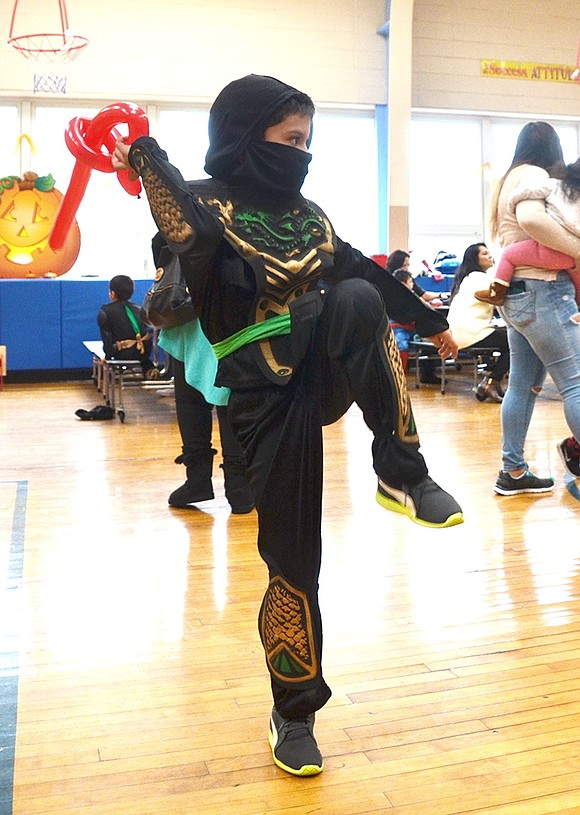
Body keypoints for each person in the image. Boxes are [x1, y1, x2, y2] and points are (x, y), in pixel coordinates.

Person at [112, 74, 463, 778]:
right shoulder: (206, 207)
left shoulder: (312, 215)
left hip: (319, 372)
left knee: (357, 294)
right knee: (293, 564)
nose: (302, 153)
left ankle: (403, 472)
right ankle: (293, 709)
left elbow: (364, 270)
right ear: (247, 137)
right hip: (260, 396)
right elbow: (184, 225)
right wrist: (143, 153)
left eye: (308, 140)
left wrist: (432, 322)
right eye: (289, 139)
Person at [488, 121, 580, 494]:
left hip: (517, 293)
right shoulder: (534, 176)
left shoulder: (506, 179)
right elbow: (530, 219)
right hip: (543, 290)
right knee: (576, 383)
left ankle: (512, 472)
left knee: (522, 386)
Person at [153, 236, 254, 514]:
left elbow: (160, 244)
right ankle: (238, 487)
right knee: (228, 397)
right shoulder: (236, 203)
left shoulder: (185, 200)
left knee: (191, 400)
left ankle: (198, 479)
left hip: (188, 310)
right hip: (231, 308)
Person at [475, 156, 580, 307]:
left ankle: (497, 292)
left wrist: (513, 201)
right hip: (570, 257)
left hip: (552, 249)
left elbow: (529, 192)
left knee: (509, 255)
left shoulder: (555, 184)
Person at [447, 243, 509, 403]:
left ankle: (491, 383)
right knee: (517, 343)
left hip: (459, 333)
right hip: (471, 332)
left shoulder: (467, 278)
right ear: (475, 259)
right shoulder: (478, 277)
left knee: (508, 341)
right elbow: (500, 297)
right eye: (484, 254)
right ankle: (492, 382)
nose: (490, 256)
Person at [381, 251, 442, 383]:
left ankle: (427, 374)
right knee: (401, 344)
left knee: (431, 335)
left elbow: (423, 296)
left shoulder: (409, 283)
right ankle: (398, 375)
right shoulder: (391, 283)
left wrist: (438, 296)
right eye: (405, 265)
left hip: (411, 325)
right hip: (397, 325)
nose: (407, 267)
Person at [97, 274, 158, 378]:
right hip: (144, 352)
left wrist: (106, 357)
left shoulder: (105, 312)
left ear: (112, 293)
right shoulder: (140, 309)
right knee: (140, 354)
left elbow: (107, 343)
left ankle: (127, 370)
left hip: (122, 354)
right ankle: (148, 368)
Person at [389, 268, 416, 372]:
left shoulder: (412, 295)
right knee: (401, 345)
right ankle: (400, 371)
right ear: (402, 284)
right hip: (398, 327)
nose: (412, 284)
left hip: (412, 328)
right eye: (410, 281)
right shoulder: (393, 297)